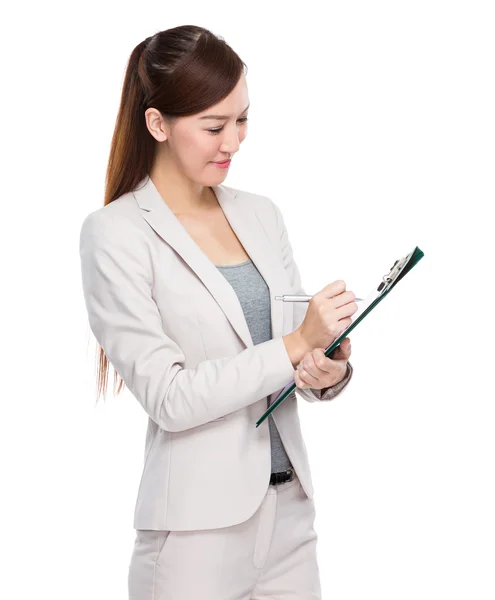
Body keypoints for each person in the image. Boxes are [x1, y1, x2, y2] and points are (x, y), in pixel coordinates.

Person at [79, 24, 357, 600]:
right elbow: (170, 397)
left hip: (290, 521)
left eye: (242, 119)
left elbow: (291, 355)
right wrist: (295, 344)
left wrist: (326, 369)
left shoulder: (262, 214)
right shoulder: (115, 234)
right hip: (193, 536)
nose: (233, 141)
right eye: (213, 126)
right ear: (157, 124)